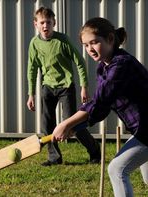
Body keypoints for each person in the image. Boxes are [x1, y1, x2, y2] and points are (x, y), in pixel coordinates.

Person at [52, 17, 148, 196]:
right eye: (86, 45)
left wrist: (65, 124)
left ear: (110, 39)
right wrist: (75, 126)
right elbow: (101, 106)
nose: (90, 49)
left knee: (117, 169)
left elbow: (99, 102)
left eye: (94, 42)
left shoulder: (121, 65)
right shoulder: (103, 67)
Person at [26, 7, 101, 166]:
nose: (45, 26)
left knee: (72, 124)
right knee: (47, 124)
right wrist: (31, 94)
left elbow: (80, 62)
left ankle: (94, 150)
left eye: (48, 22)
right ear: (36, 24)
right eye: (42, 23)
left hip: (66, 87)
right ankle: (54, 157)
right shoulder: (34, 44)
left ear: (54, 23)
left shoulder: (62, 41)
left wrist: (84, 86)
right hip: (47, 87)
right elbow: (32, 69)